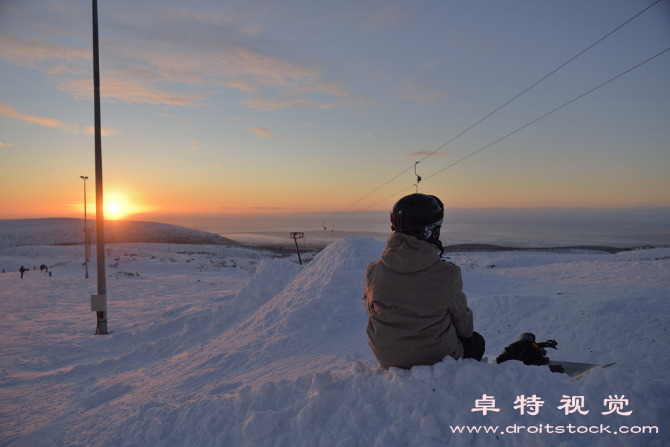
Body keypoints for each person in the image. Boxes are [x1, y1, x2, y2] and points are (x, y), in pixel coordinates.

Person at [363, 193, 485, 369]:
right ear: (433, 230)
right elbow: (465, 329)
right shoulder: (448, 274)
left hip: (387, 357)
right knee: (476, 342)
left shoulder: (373, 270)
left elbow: (372, 312)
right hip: (437, 357)